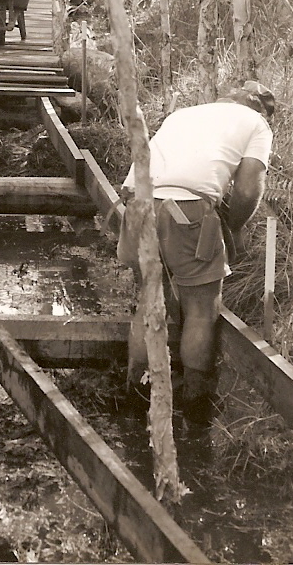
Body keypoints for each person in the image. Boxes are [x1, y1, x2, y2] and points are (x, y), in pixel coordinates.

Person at [117, 80, 275, 423]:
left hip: (136, 201)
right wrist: (232, 227)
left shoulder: (186, 114)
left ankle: (136, 395)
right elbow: (248, 188)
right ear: (261, 110)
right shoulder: (257, 125)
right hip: (185, 207)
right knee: (201, 310)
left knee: (149, 297)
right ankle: (195, 409)